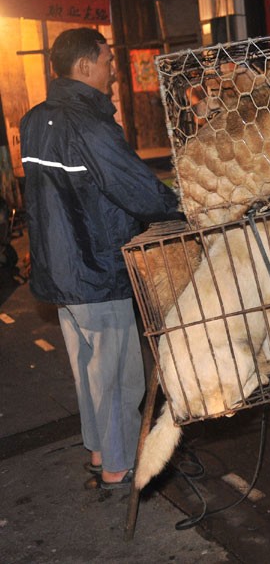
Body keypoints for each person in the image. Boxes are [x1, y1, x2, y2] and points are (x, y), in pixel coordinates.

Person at [20, 28, 181, 489]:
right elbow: (133, 186)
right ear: (86, 65)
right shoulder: (89, 125)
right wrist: (180, 205)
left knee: (88, 370)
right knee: (118, 376)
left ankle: (97, 449)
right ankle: (117, 465)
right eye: (108, 61)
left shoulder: (35, 121)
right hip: (98, 267)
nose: (113, 72)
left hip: (61, 273)